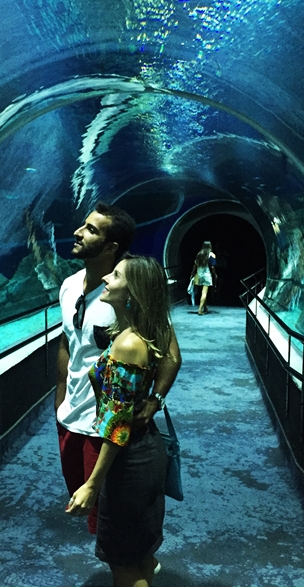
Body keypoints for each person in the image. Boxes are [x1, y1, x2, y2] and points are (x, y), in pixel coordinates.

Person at [56, 203, 181, 537]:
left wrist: (155, 400)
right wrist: (60, 398)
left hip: (104, 426)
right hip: (69, 418)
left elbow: (170, 354)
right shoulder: (68, 286)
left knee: (110, 519)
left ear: (111, 246)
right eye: (83, 225)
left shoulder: (126, 294)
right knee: (88, 509)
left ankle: (125, 560)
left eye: (91, 230)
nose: (78, 233)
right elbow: (67, 342)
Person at [66, 254, 177, 587]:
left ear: (133, 292)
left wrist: (92, 484)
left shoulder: (128, 345)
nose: (106, 279)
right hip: (144, 452)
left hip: (129, 463)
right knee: (138, 555)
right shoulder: (135, 332)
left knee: (123, 566)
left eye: (115, 276)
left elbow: (116, 428)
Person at [190, 240, 217, 315]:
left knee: (202, 291)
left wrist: (192, 274)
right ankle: (200, 310)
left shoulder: (199, 254)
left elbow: (195, 265)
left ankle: (205, 307)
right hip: (206, 275)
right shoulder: (211, 254)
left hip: (199, 274)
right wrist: (215, 274)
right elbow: (212, 266)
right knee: (204, 292)